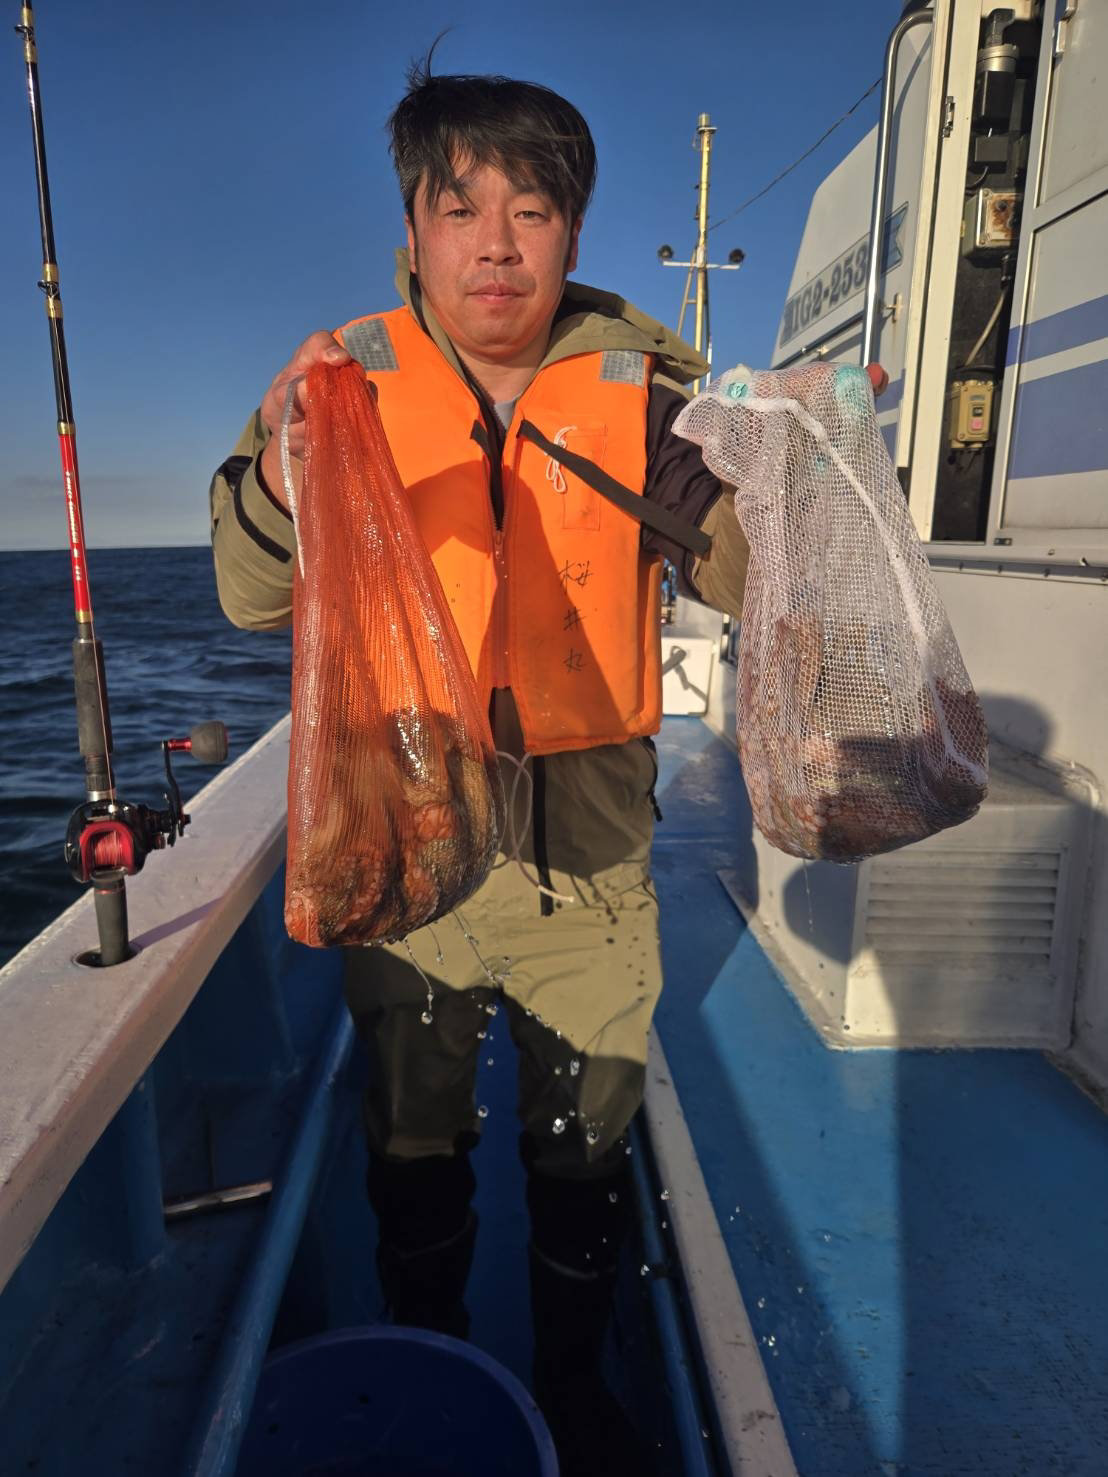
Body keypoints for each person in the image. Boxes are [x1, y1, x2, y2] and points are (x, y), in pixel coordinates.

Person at [210, 63, 751, 1476]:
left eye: (531, 210)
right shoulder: (340, 385)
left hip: (593, 847)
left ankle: (570, 1380)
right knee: (413, 1133)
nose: (497, 245)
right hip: (408, 836)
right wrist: (281, 479)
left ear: (573, 232)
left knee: (586, 1139)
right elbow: (248, 595)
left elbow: (750, 583)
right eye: (461, 210)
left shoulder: (655, 394)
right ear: (412, 229)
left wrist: (779, 484)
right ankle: (430, 1343)